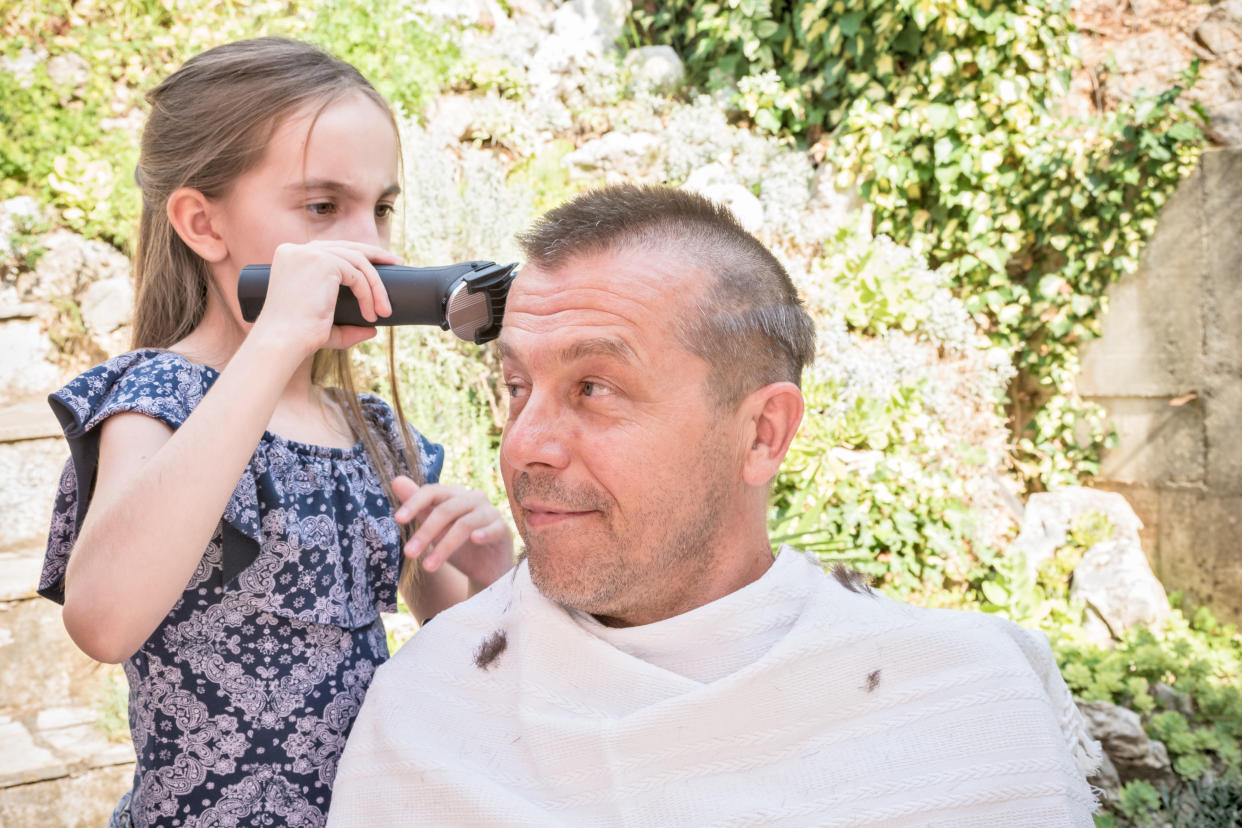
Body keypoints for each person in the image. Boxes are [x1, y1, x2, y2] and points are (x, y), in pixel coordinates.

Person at [329, 184, 1103, 827]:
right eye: (516, 387)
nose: (524, 444)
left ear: (762, 433)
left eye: (594, 388)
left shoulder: (956, 706)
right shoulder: (433, 711)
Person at [37, 38, 513, 828]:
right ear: (201, 223)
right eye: (324, 207)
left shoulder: (375, 431)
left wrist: (490, 579)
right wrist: (273, 346)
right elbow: (104, 621)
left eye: (382, 207)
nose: (374, 246)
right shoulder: (157, 399)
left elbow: (457, 655)